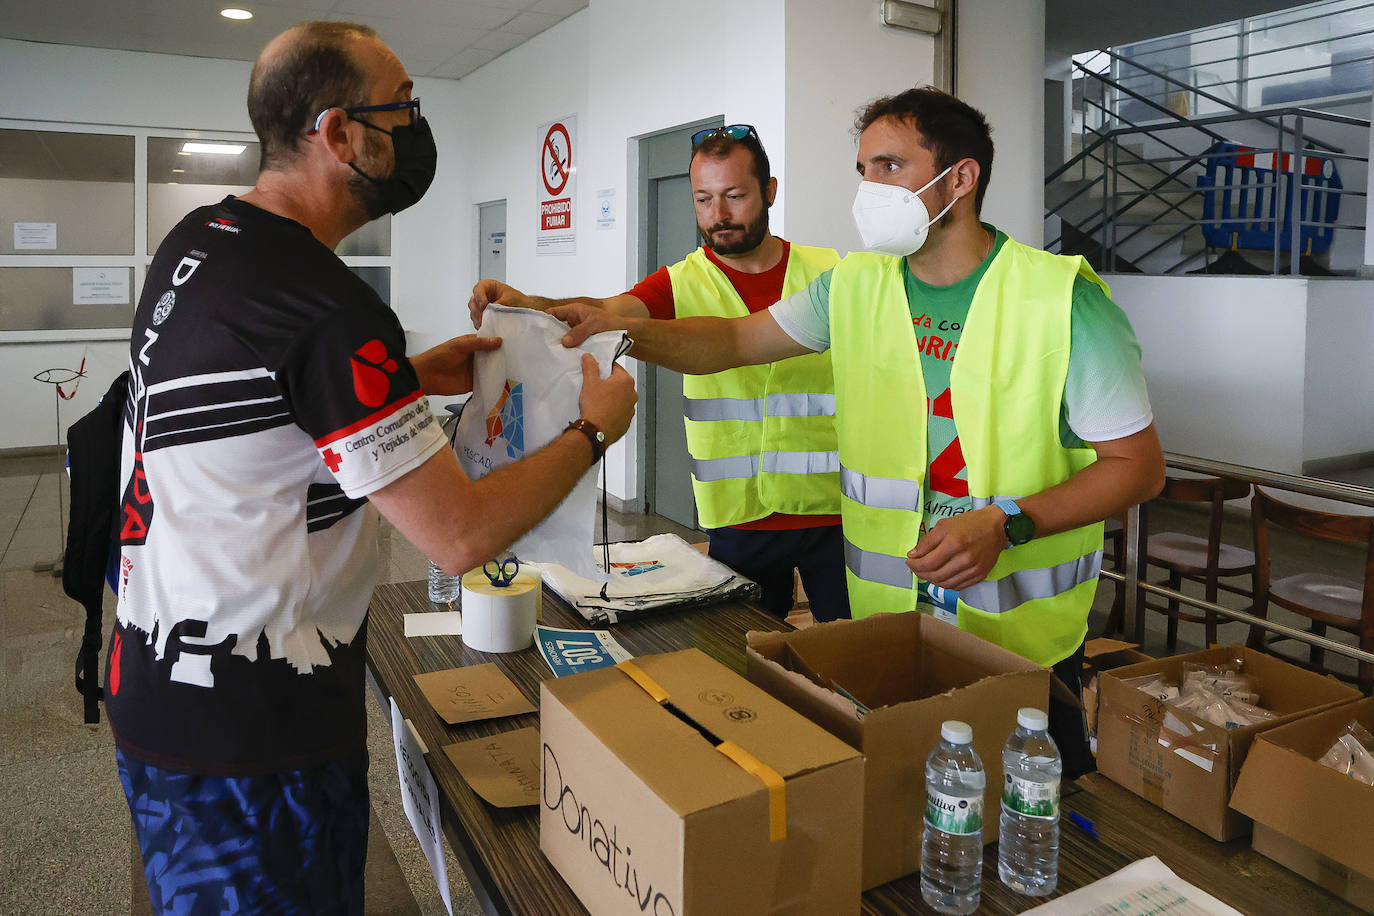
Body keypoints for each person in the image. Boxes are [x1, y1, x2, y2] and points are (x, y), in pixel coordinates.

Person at [107, 22, 636, 914]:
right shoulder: (327, 304)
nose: (419, 128)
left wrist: (405, 383)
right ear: (341, 133)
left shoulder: (203, 240)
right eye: (406, 108)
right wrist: (591, 432)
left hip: (161, 678)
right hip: (254, 732)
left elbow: (256, 409)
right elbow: (459, 535)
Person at [553, 87, 1164, 775]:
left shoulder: (1062, 300)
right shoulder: (855, 285)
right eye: (864, 170)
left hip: (1017, 646)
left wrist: (1006, 523)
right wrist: (614, 328)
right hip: (891, 629)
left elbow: (1137, 468)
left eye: (890, 167)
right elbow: (731, 343)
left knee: (1030, 830)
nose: (871, 188)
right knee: (900, 810)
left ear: (960, 178)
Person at [469, 126, 850, 622]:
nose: (719, 215)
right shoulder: (681, 280)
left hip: (834, 511)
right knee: (748, 660)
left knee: (850, 656)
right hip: (740, 515)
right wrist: (530, 305)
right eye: (704, 199)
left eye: (735, 196)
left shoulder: (830, 274)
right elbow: (604, 309)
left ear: (770, 191)